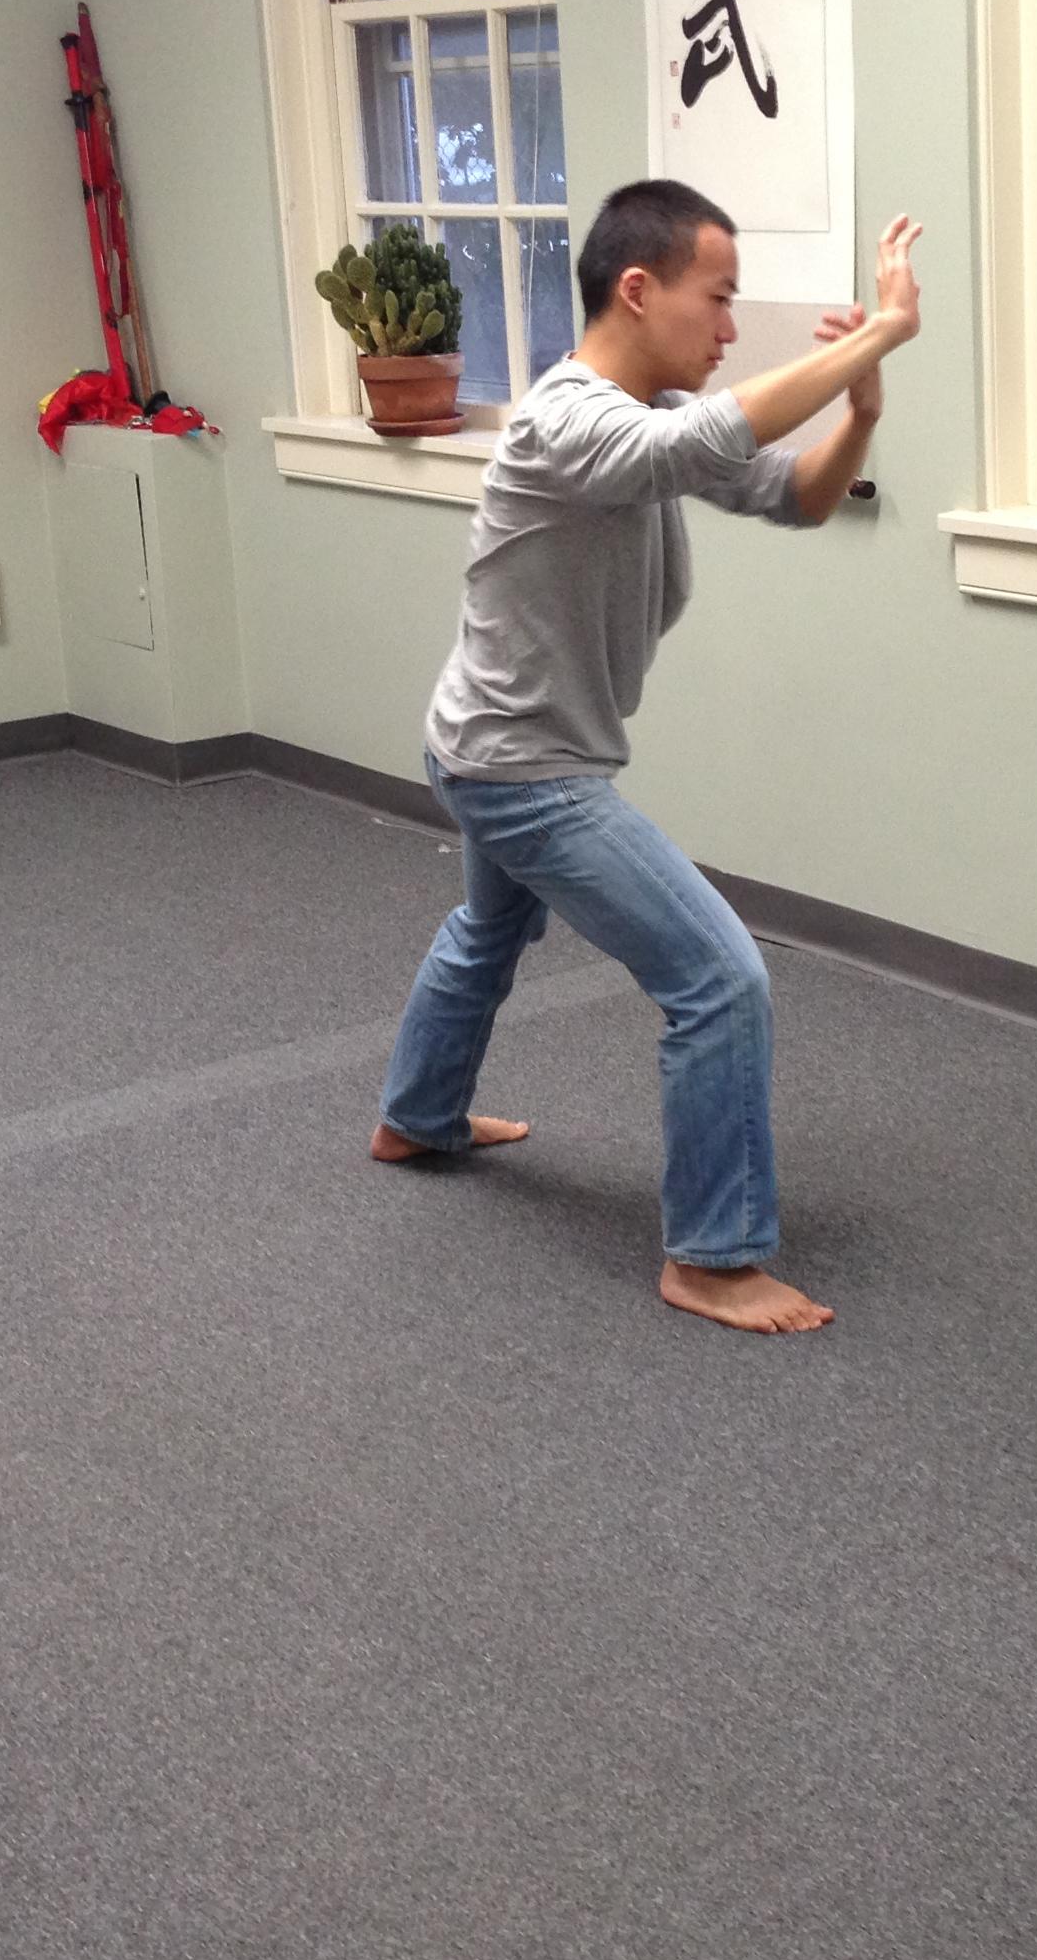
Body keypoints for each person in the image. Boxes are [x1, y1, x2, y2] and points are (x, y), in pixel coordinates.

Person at [369, 183, 921, 1336]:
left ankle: (416, 1118)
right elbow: (710, 436)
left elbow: (794, 497)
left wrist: (860, 411)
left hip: (486, 741)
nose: (728, 330)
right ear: (638, 288)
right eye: (718, 300)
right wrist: (878, 328)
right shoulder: (566, 422)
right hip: (523, 769)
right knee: (719, 980)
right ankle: (712, 1259)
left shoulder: (647, 419)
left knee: (492, 927)